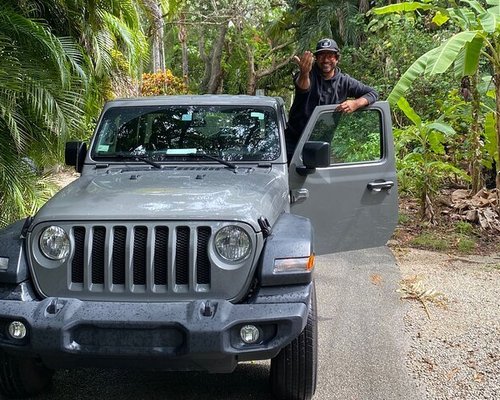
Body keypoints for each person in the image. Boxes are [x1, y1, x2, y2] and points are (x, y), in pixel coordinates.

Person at [285, 38, 378, 159]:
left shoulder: (345, 82)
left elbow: (373, 93)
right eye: (322, 56)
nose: (326, 60)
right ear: (316, 59)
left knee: (317, 176)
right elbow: (303, 87)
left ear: (337, 59)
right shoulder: (307, 74)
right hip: (293, 140)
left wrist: (356, 103)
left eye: (330, 56)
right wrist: (304, 73)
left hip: (322, 143)